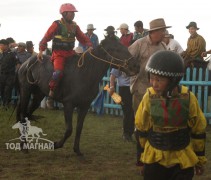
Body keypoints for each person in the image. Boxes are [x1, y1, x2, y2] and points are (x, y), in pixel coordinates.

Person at [135, 50, 207, 180]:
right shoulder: (149, 97)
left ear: (173, 80)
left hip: (182, 159)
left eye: (159, 79)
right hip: (154, 158)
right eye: (151, 77)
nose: (154, 83)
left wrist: (199, 159)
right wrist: (140, 160)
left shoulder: (188, 98)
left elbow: (198, 130)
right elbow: (141, 129)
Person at [128, 18, 170, 168]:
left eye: (164, 30)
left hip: (157, 92)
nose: (164, 33)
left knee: (156, 121)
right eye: (162, 30)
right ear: (154, 32)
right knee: (141, 122)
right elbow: (126, 59)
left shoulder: (164, 46)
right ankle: (140, 157)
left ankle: (154, 154)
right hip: (140, 89)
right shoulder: (139, 44)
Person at [37, 3, 92, 98]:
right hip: (59, 54)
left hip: (71, 53)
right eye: (72, 13)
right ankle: (52, 90)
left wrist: (89, 45)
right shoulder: (56, 24)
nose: (74, 14)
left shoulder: (75, 26)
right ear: (64, 13)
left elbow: (82, 37)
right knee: (58, 72)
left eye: (74, 13)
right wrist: (41, 51)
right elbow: (46, 37)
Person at [0, 39, 20, 108]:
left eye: (1, 45)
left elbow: (17, 63)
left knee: (7, 90)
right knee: (2, 89)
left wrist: (17, 71)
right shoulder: (1, 54)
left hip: (10, 75)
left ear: (6, 46)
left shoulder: (12, 54)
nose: (0, 46)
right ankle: (3, 102)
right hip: (2, 74)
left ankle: (6, 103)